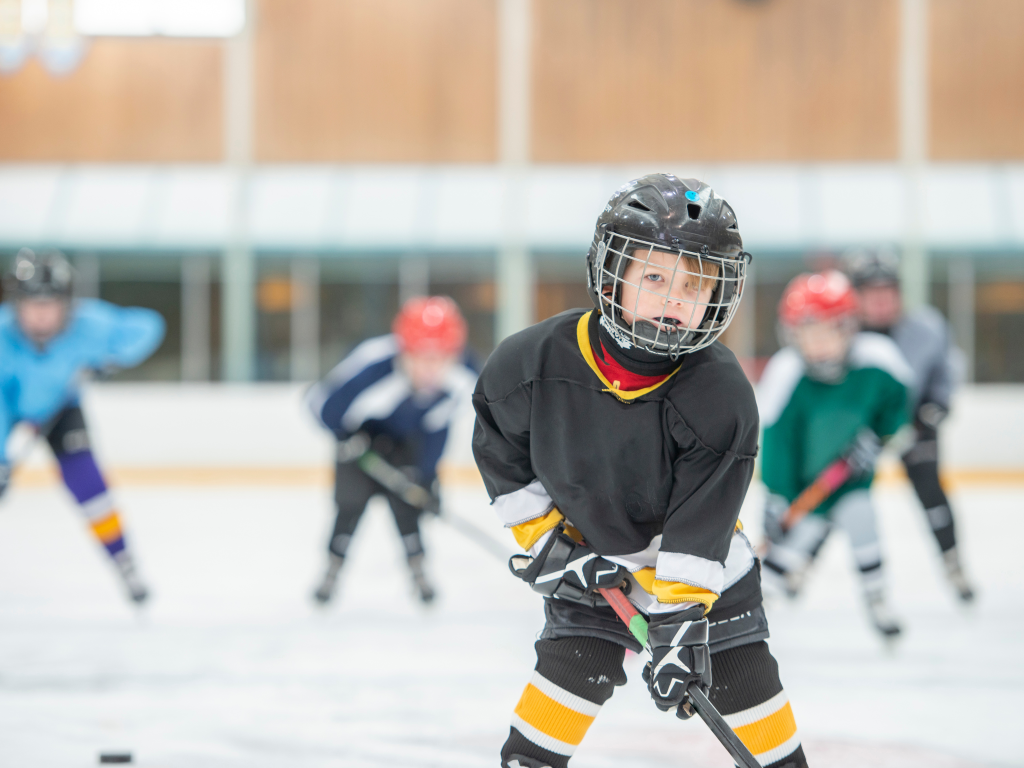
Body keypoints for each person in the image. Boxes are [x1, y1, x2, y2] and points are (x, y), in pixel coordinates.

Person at [473, 174, 807, 768]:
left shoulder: (719, 395)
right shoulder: (530, 364)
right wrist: (547, 542)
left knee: (772, 746)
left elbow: (702, 519)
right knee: (534, 751)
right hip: (590, 568)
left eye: (695, 284)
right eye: (654, 277)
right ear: (611, 274)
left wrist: (680, 617)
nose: (674, 298)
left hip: (705, 582)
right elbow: (503, 454)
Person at [0, 248, 165, 604]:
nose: (42, 314)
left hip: (61, 410)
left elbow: (148, 326)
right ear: (17, 305)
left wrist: (112, 357)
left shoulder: (89, 325)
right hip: (8, 410)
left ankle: (123, 561)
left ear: (67, 304)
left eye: (51, 304)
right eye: (33, 304)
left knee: (88, 483)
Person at [758, 270, 911, 638]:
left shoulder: (876, 361)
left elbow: (898, 407)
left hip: (850, 481)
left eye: (829, 331)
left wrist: (877, 439)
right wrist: (778, 499)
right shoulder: (787, 375)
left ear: (849, 327)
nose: (819, 345)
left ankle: (877, 599)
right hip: (806, 489)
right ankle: (758, 607)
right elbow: (778, 448)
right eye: (808, 334)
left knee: (862, 522)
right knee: (788, 549)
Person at [307, 296, 477, 605]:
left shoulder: (465, 377)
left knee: (407, 506)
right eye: (421, 358)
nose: (431, 369)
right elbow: (320, 405)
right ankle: (331, 571)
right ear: (404, 350)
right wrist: (345, 437)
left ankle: (419, 571)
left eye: (440, 358)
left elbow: (438, 428)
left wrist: (428, 479)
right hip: (360, 444)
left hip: (406, 443)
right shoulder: (374, 365)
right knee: (349, 505)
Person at [847, 250, 975, 602]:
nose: (881, 299)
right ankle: (799, 564)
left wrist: (936, 408)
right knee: (840, 490)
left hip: (915, 421)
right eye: (871, 291)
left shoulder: (926, 328)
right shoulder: (845, 333)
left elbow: (946, 370)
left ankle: (953, 563)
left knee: (931, 490)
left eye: (888, 289)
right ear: (856, 295)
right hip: (864, 426)